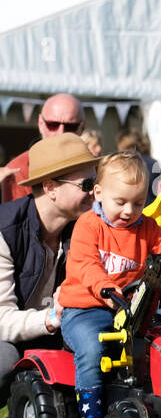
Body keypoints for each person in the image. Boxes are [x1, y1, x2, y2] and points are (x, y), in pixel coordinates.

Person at [57, 152, 161, 418]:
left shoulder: (148, 227)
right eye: (120, 202)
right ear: (99, 193)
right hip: (86, 309)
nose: (129, 210)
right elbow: (85, 265)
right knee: (93, 349)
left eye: (138, 202)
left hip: (132, 310)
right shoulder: (88, 226)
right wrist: (106, 288)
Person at [0, 134, 97, 400]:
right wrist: (52, 318)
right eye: (87, 184)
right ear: (50, 187)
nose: (94, 192)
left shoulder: (88, 227)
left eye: (96, 182)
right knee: (3, 359)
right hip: (11, 340)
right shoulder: (4, 231)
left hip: (53, 335)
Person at [1, 93, 86, 203]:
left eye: (71, 127)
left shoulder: (94, 168)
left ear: (82, 127)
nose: (61, 133)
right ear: (41, 123)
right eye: (53, 125)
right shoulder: (19, 170)